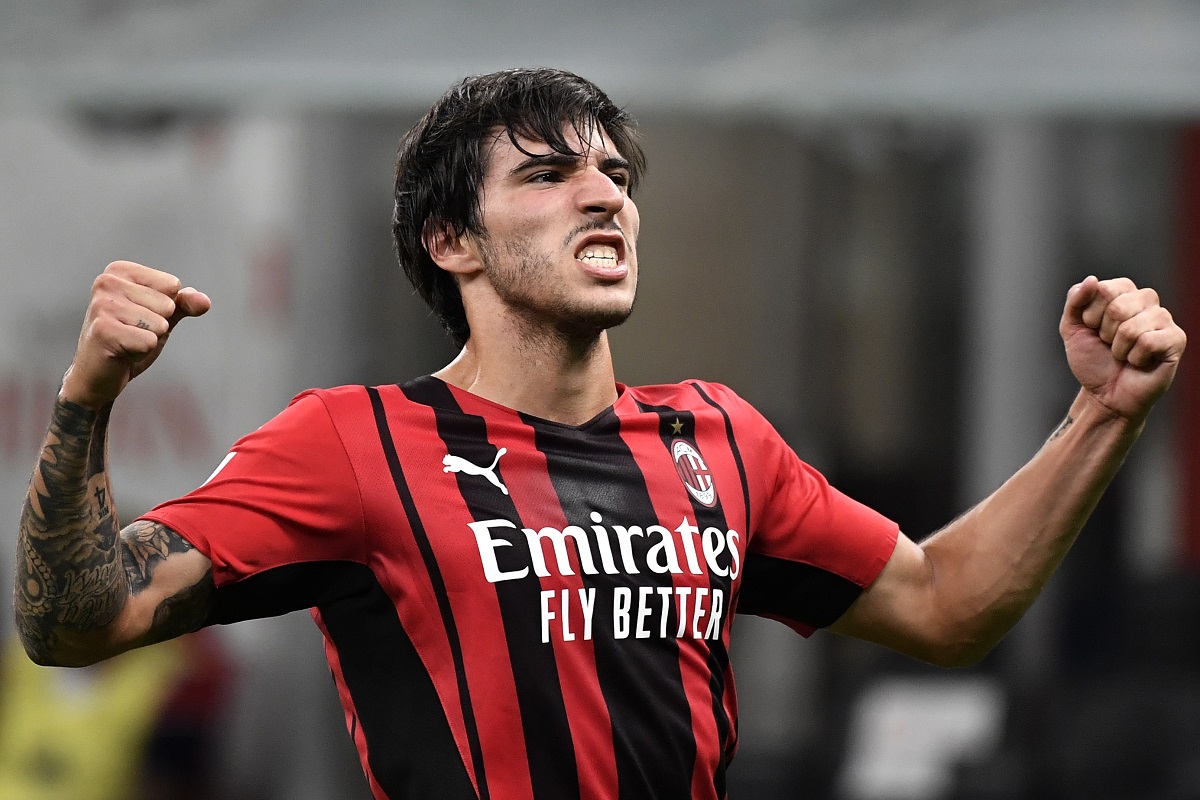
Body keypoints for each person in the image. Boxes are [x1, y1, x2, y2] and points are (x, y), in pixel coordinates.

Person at [14, 67, 1187, 800]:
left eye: (615, 172)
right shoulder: (352, 442)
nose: (605, 194)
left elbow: (945, 603)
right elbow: (74, 621)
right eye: (546, 175)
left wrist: (1103, 412)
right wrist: (90, 395)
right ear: (451, 242)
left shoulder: (719, 437)